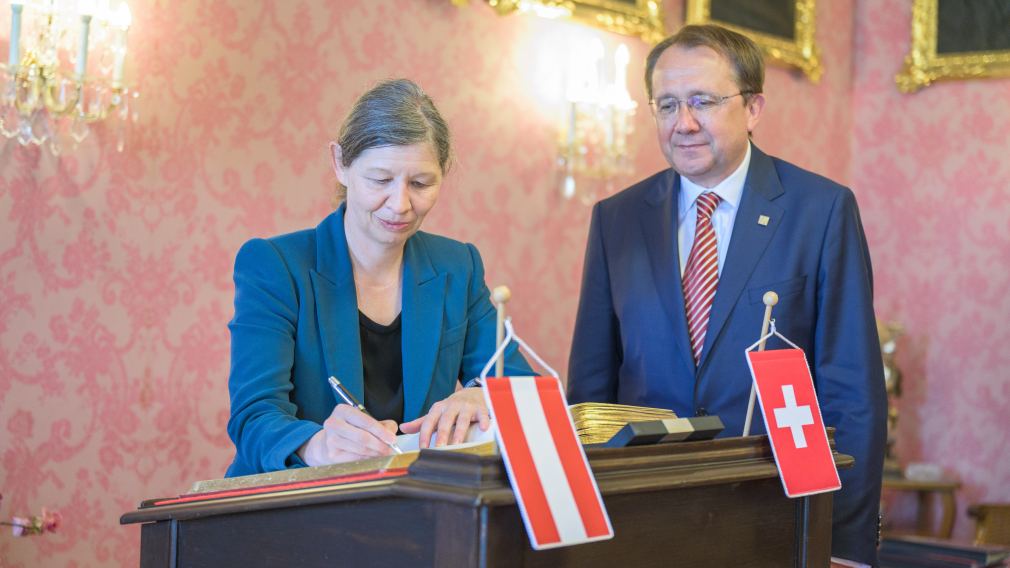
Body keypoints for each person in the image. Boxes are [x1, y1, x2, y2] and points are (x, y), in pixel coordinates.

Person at [567, 25, 886, 566]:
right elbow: (591, 385)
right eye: (666, 105)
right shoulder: (617, 218)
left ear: (753, 107)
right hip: (642, 516)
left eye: (704, 102)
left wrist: (844, 545)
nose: (683, 123)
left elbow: (852, 388)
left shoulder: (821, 210)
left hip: (775, 512)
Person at [226, 78, 531, 477]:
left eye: (421, 183)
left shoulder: (458, 266)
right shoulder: (274, 265)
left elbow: (521, 384)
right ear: (340, 164)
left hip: (413, 503)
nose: (400, 204)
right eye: (380, 180)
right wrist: (314, 444)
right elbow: (254, 415)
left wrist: (482, 398)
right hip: (293, 503)